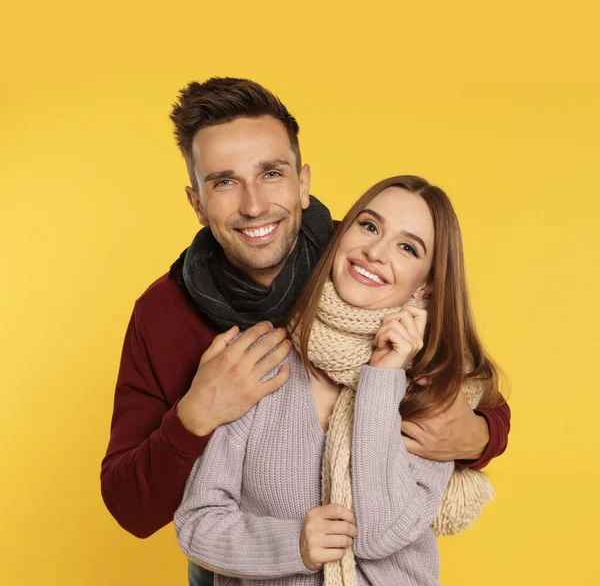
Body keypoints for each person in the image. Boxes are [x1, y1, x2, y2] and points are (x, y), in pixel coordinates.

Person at [100, 78, 511, 586]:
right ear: (197, 202)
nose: (254, 205)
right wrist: (197, 413)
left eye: (271, 173)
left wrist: (478, 435)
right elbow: (135, 507)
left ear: (303, 181)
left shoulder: (359, 258)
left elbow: (461, 375)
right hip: (241, 556)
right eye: (223, 182)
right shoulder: (164, 315)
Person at [175, 175, 505, 585]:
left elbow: (377, 534)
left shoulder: (434, 392)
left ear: (427, 282)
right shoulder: (259, 363)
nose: (374, 251)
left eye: (407, 247)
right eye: (368, 226)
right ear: (340, 235)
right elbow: (197, 522)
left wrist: (383, 377)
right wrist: (292, 543)